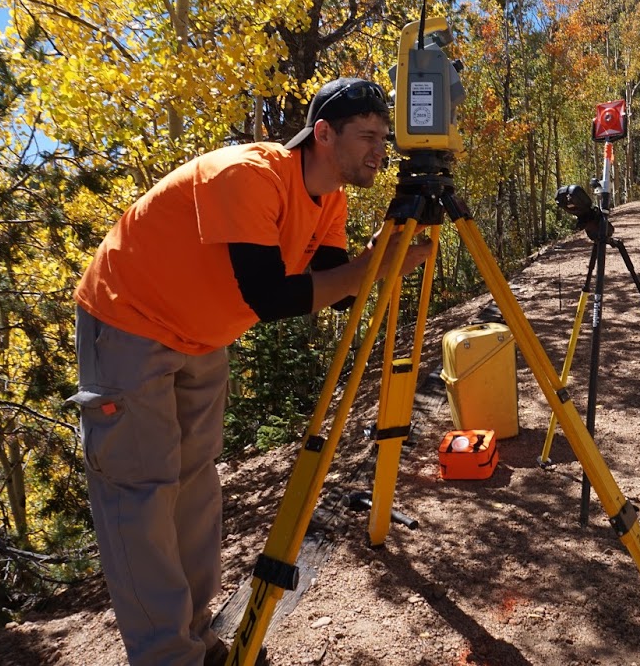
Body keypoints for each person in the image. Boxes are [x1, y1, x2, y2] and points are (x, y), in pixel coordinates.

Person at [71, 77, 429, 666]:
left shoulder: (330, 197)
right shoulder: (250, 174)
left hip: (200, 335)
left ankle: (198, 639)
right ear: (322, 134)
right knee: (142, 497)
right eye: (367, 136)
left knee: (192, 485)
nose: (379, 151)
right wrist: (372, 266)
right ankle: (168, 657)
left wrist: (382, 263)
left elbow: (338, 289)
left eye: (383, 138)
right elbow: (271, 296)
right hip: (129, 321)